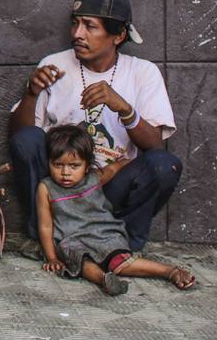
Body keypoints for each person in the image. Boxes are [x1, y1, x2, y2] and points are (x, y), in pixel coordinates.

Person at [8, 0, 182, 257]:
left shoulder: (143, 73)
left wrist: (124, 108)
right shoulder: (54, 64)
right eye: (75, 24)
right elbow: (20, 140)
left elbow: (155, 145)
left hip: (110, 189)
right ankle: (45, 236)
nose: (77, 34)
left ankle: (122, 243)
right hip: (58, 190)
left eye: (90, 27)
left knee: (164, 164)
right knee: (28, 139)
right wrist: (31, 94)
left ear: (118, 35)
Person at [38, 125, 197, 294]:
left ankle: (169, 271)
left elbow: (113, 168)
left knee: (120, 262)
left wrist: (127, 163)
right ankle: (104, 280)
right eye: (57, 164)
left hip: (103, 234)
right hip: (71, 240)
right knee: (82, 262)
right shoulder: (46, 188)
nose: (65, 172)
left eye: (74, 166)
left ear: (86, 166)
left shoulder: (94, 178)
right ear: (48, 162)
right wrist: (52, 258)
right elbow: (46, 226)